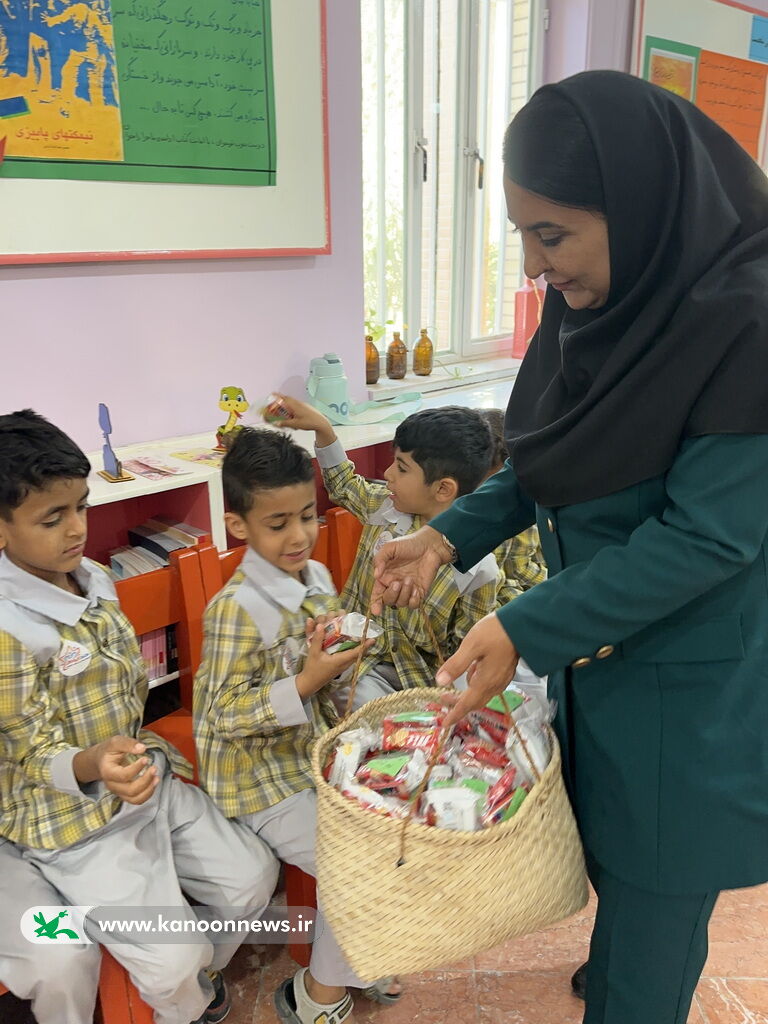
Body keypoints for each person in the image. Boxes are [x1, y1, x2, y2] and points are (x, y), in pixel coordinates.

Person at [371, 70, 768, 1024]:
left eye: (552, 235)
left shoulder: (745, 325)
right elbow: (559, 461)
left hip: (689, 687)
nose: (534, 266)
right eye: (522, 234)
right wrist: (446, 534)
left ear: (641, 207)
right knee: (623, 871)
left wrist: (525, 622)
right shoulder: (599, 308)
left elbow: (709, 536)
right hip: (607, 666)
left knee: (657, 908)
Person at [0, 409, 279, 1024]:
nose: (78, 529)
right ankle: (184, 997)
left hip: (143, 778)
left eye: (81, 506)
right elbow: (27, 752)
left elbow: (126, 687)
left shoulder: (93, 578)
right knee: (170, 961)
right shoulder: (9, 630)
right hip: (70, 820)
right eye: (52, 518)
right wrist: (94, 763)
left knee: (251, 878)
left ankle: (190, 974)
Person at [192, 428, 401, 1024]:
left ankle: (358, 949)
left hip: (311, 753)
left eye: (307, 516)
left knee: (398, 829)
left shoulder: (315, 578)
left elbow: (322, 671)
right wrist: (308, 680)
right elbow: (223, 715)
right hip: (255, 779)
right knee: (359, 858)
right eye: (277, 523)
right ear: (238, 526)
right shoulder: (234, 611)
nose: (299, 536)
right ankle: (319, 994)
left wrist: (341, 658)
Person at [274, 397, 504, 708]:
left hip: (419, 682)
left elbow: (466, 653)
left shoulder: (479, 568)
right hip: (356, 663)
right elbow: (343, 484)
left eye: (402, 467)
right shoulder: (384, 507)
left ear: (442, 489)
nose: (387, 473)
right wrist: (323, 429)